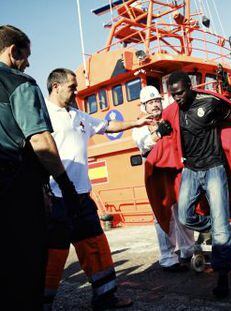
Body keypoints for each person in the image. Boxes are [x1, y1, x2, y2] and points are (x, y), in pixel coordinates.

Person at [144, 71, 231, 299]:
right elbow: (166, 131)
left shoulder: (211, 103)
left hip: (214, 169)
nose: (177, 98)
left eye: (180, 93)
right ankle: (215, 229)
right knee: (185, 217)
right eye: (173, 94)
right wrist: (162, 132)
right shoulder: (173, 110)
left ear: (190, 87)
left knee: (221, 227)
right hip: (190, 171)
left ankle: (222, 277)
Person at [43, 68, 154, 310]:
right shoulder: (41, 116)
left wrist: (136, 122)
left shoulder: (78, 115)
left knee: (96, 248)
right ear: (56, 87)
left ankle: (105, 297)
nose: (76, 91)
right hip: (55, 196)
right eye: (72, 87)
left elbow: (107, 126)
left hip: (81, 196)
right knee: (53, 255)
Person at [0, 25, 81, 310]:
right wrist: (66, 186)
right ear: (13, 51)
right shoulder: (18, 82)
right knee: (25, 267)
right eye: (26, 55)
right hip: (16, 189)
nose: (29, 62)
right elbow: (40, 139)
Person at [132, 85, 194, 272]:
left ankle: (187, 248)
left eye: (157, 101)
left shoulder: (170, 117)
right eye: (150, 102)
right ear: (144, 106)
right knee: (161, 214)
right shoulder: (139, 126)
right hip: (157, 173)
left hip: (174, 169)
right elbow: (143, 144)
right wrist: (158, 134)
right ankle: (167, 257)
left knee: (182, 208)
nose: (155, 105)